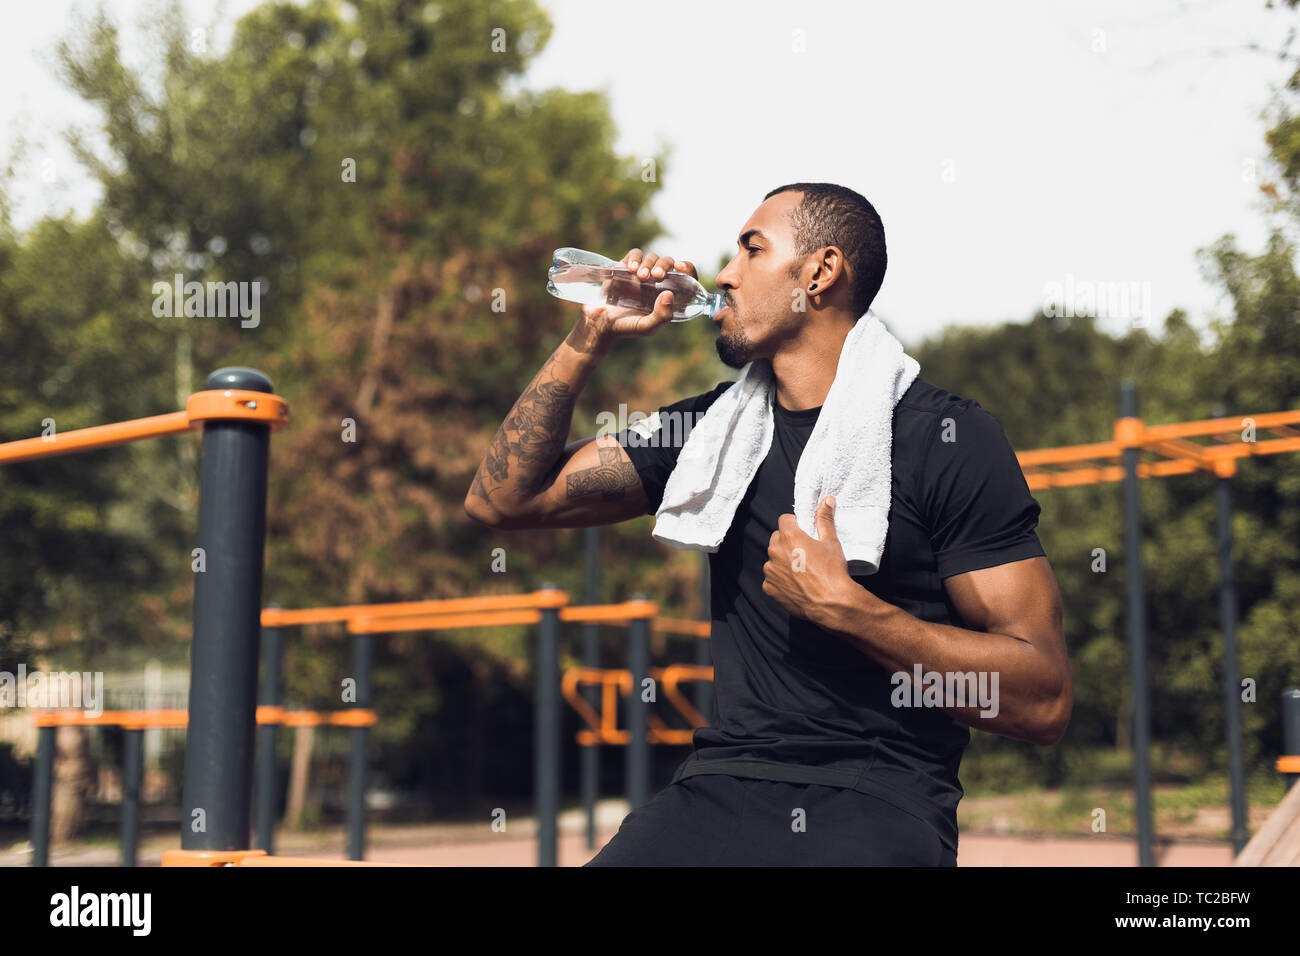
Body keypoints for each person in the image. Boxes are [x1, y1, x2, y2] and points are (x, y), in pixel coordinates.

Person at [464, 182, 1072, 866]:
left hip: (876, 800)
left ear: (819, 272)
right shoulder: (710, 435)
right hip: (715, 790)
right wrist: (590, 334)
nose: (724, 273)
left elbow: (1041, 698)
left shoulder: (948, 438)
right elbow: (502, 500)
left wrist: (854, 613)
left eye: (752, 249)